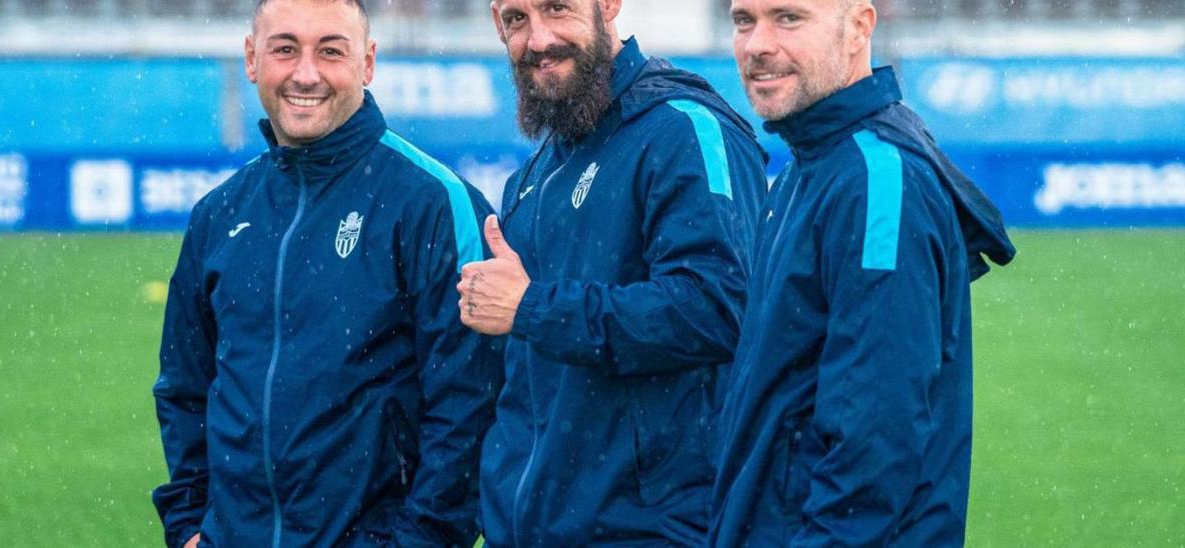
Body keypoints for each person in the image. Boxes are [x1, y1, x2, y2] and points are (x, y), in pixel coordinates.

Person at [151, 1, 500, 546]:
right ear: (251, 58)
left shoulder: (433, 202)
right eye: (285, 48)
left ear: (367, 63)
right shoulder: (220, 213)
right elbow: (185, 388)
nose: (306, 73)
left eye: (331, 51)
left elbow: (470, 406)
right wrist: (191, 524)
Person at [456, 0, 768, 545]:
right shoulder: (534, 173)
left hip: (650, 530)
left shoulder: (684, 128)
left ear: (609, 4)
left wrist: (532, 308)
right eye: (516, 19)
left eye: (557, 8)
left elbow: (718, 309)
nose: (538, 38)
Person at [709, 0, 1017, 545]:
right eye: (743, 20)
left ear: (858, 27)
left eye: (788, 18)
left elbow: (874, 440)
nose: (756, 44)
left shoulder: (877, 182)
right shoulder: (811, 166)